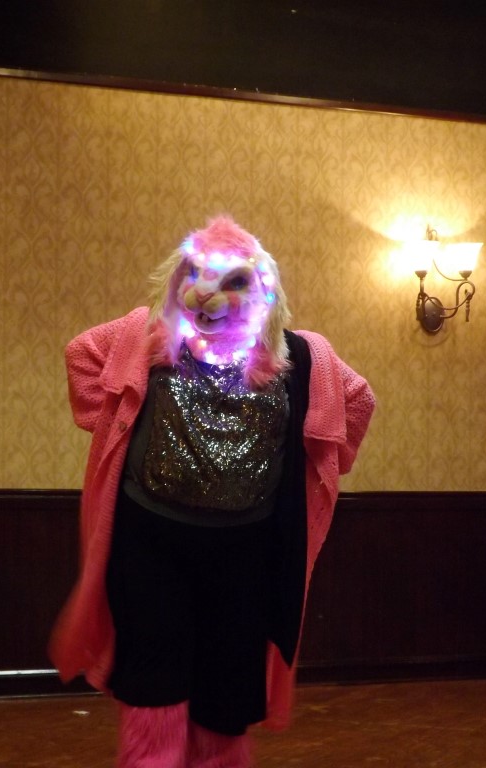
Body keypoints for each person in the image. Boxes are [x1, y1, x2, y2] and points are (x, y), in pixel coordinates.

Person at [48, 216, 375, 767]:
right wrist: (114, 418)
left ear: (263, 290)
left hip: (245, 553)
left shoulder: (302, 356)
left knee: (226, 687)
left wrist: (318, 458)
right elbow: (82, 356)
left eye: (232, 281)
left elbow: (357, 401)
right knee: (153, 679)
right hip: (150, 545)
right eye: (196, 274)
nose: (207, 292)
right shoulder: (144, 335)